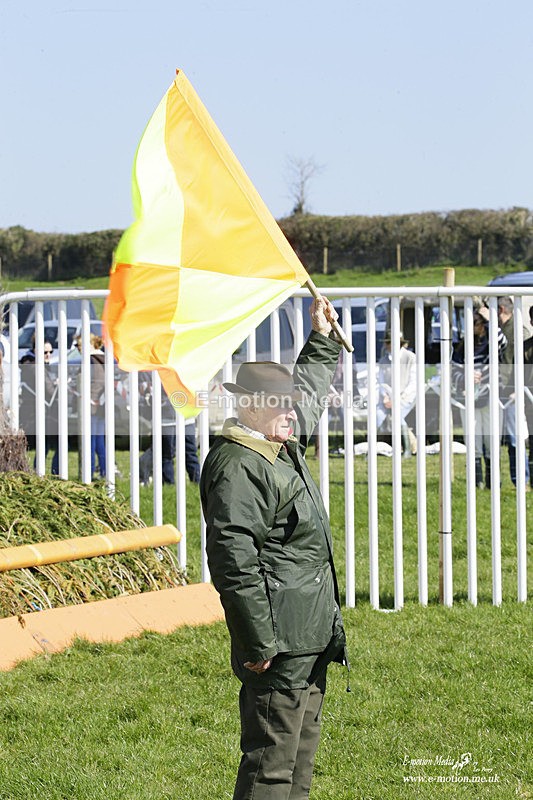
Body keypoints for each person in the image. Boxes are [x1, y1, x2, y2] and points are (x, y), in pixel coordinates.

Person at [200, 296, 348, 800]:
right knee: (270, 770)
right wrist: (259, 642)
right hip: (278, 644)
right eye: (280, 406)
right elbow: (233, 561)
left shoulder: (275, 439)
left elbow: (305, 395)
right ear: (250, 407)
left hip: (306, 634)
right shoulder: (240, 465)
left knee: (297, 764)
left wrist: (323, 337)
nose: (293, 413)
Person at [452, 305, 507, 488]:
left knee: (491, 440)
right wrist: (466, 377)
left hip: (491, 397)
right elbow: (453, 371)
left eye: (475, 322)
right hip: (469, 398)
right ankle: (477, 481)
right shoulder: (463, 345)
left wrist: (491, 321)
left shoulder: (493, 343)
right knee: (473, 440)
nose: (473, 326)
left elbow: (502, 341)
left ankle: (493, 481)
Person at [138, 373, 200, 485]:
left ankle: (191, 482)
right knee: (173, 454)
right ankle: (174, 484)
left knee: (179, 454)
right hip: (171, 418)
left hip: (178, 417)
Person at [498, 296, 530, 487]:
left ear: (501, 309)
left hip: (513, 393)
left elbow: (525, 365)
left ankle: (521, 481)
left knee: (515, 438)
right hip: (500, 390)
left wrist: (518, 388)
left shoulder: (519, 331)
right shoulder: (502, 330)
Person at [19, 339, 59, 473]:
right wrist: (58, 386)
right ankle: (49, 472)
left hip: (38, 410)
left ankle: (39, 471)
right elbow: (49, 390)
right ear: (36, 351)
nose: (48, 355)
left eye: (51, 352)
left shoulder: (34, 364)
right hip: (35, 412)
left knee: (44, 444)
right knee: (47, 443)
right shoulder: (35, 366)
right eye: (45, 352)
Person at [376, 332, 417, 457]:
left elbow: (413, 382)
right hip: (388, 398)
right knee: (377, 415)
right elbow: (381, 382)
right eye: (386, 342)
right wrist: (386, 397)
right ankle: (373, 447)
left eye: (389, 342)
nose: (386, 345)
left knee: (398, 417)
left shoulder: (411, 357)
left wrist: (398, 398)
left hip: (407, 397)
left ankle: (408, 449)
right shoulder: (384, 360)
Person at [75, 334, 106, 479]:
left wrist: (89, 398)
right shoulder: (103, 358)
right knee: (99, 441)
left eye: (79, 345)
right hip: (101, 406)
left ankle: (90, 473)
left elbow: (94, 383)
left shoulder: (90, 360)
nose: (78, 348)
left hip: (91, 405)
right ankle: (104, 471)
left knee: (90, 441)